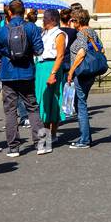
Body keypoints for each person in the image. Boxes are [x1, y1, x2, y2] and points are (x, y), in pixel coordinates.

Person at [0, 0, 48, 158]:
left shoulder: (1, 30)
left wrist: (5, 54)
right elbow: (39, 50)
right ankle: (41, 144)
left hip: (8, 74)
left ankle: (14, 148)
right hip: (26, 72)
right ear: (23, 12)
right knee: (32, 107)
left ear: (9, 12)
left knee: (10, 110)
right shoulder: (31, 28)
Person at [65, 9, 102, 148]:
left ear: (78, 21)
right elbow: (101, 49)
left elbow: (81, 52)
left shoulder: (81, 34)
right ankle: (85, 137)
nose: (70, 22)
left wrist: (71, 71)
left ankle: (85, 139)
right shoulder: (92, 32)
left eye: (72, 20)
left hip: (82, 72)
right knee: (81, 103)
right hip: (91, 72)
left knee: (81, 105)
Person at [35, 9, 66, 147]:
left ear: (52, 19)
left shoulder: (59, 34)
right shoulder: (44, 33)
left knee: (51, 101)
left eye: (45, 18)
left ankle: (51, 134)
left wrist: (53, 73)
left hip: (51, 67)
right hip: (40, 67)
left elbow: (60, 55)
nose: (43, 20)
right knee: (41, 100)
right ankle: (45, 135)